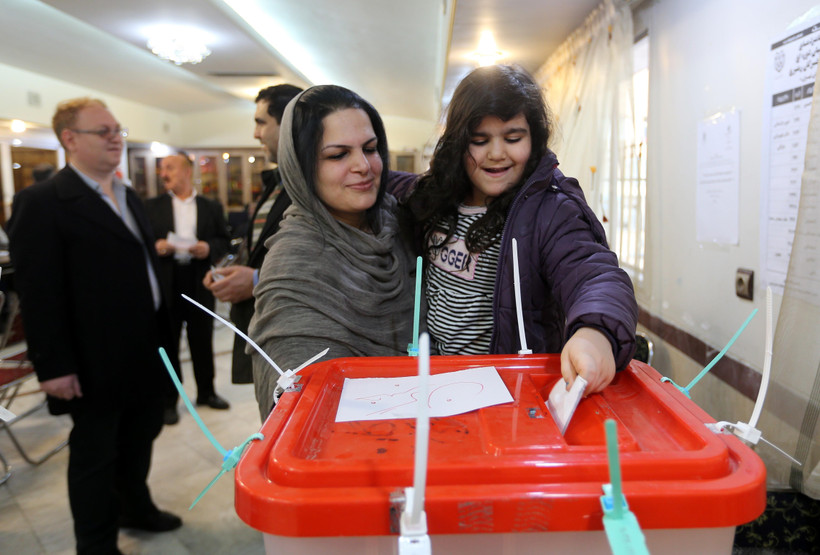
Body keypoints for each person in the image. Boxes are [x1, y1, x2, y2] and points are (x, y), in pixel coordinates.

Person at [7, 97, 181, 554]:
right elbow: (38, 293)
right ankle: (96, 543)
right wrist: (53, 366)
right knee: (96, 454)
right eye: (102, 131)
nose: (115, 138)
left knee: (141, 435)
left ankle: (135, 508)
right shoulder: (41, 202)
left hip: (146, 344)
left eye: (117, 129)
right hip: (92, 356)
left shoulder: (127, 194)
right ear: (69, 139)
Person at [406, 65, 637, 394]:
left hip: (506, 391)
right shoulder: (437, 197)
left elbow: (594, 274)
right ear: (458, 143)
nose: (497, 154)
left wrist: (595, 333)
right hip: (433, 384)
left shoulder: (551, 211)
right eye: (479, 140)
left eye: (513, 138)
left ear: (534, 138)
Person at [247, 85, 416, 419]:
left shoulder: (403, 223)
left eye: (370, 149)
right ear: (301, 166)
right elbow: (302, 402)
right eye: (338, 155)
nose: (363, 166)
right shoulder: (294, 260)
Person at [204, 84, 303, 385]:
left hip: (291, 332)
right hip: (262, 324)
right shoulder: (277, 181)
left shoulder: (311, 184)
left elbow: (323, 259)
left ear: (287, 124)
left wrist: (258, 279)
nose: (256, 134)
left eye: (261, 123)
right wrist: (231, 269)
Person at [144, 152, 231, 424]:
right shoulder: (151, 207)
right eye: (162, 169)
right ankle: (169, 400)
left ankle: (207, 392)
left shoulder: (210, 206)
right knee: (168, 342)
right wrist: (156, 246)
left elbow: (224, 241)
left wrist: (208, 247)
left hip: (198, 280)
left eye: (169, 167)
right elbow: (142, 241)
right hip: (167, 280)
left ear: (186, 171)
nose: (164, 174)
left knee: (202, 340)